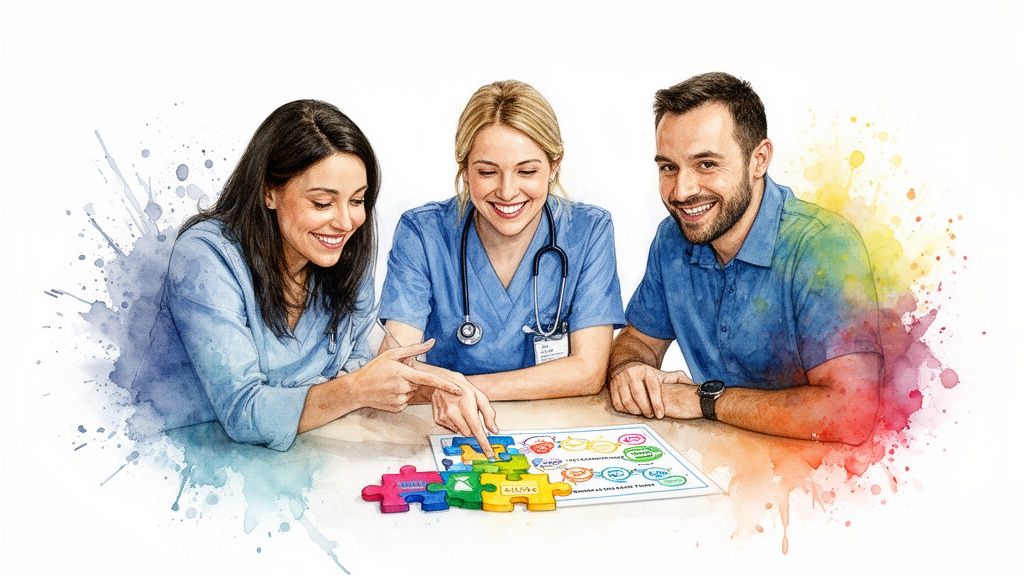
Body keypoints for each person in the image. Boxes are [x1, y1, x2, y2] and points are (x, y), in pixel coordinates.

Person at [132, 99, 464, 451]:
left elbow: (357, 367)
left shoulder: (342, 254)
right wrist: (355, 389)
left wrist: (440, 384)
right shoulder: (206, 258)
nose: (346, 222)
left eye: (357, 201)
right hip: (175, 456)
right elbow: (243, 412)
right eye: (322, 203)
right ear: (269, 192)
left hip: (295, 458)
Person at [608, 72, 882, 445]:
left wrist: (706, 401)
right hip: (721, 468)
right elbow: (637, 341)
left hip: (821, 481)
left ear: (759, 159)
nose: (682, 190)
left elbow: (851, 414)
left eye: (706, 164)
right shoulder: (672, 240)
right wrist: (630, 369)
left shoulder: (824, 246)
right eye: (668, 167)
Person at [379, 80, 626, 446]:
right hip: (441, 431)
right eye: (487, 172)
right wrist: (448, 392)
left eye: (527, 171)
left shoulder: (588, 231)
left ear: (554, 166)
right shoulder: (423, 233)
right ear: (464, 169)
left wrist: (459, 387)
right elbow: (394, 367)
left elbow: (589, 371)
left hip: (557, 429)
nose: (508, 192)